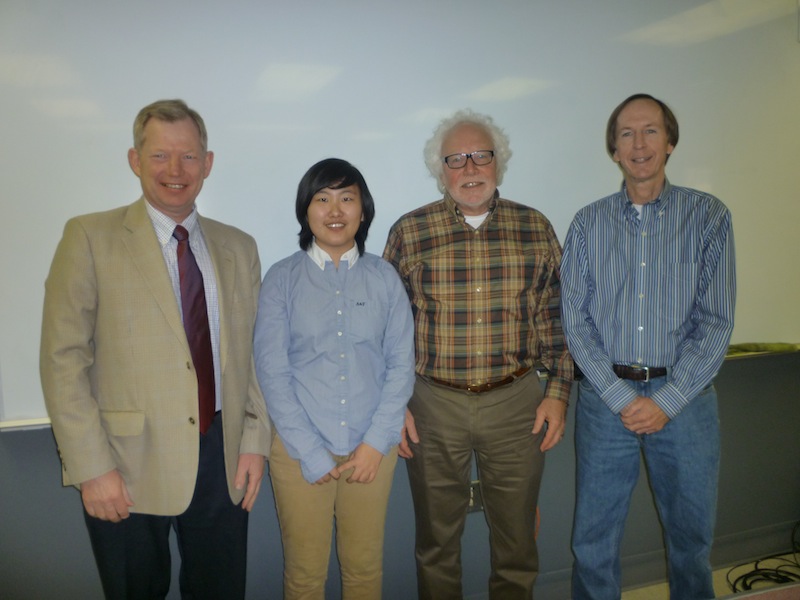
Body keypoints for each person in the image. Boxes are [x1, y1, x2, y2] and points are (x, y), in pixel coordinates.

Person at [39, 99, 271, 599]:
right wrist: (90, 467)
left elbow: (256, 356)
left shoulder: (240, 247)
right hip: (124, 463)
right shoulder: (89, 237)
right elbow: (63, 360)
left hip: (222, 456)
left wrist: (255, 441)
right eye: (160, 155)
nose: (175, 170)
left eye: (189, 156)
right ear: (134, 159)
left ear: (207, 164)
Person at [383, 109, 573, 599]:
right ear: (440, 170)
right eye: (456, 159)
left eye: (480, 156)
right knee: (436, 543)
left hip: (516, 405)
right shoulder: (410, 232)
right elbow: (386, 330)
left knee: (516, 545)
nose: (470, 168)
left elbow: (558, 320)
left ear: (499, 163)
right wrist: (395, 404)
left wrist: (556, 394)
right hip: (431, 405)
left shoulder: (535, 228)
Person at [561, 93, 736, 600]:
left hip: (686, 402)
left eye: (651, 131)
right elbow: (576, 320)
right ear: (613, 149)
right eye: (626, 134)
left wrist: (666, 401)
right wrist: (621, 397)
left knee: (691, 541)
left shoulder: (709, 218)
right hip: (604, 400)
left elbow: (717, 321)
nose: (639, 144)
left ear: (671, 142)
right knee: (592, 542)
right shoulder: (587, 224)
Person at [254, 158, 415, 599]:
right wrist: (310, 452)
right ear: (306, 211)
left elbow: (401, 365)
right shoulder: (282, 279)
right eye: (322, 199)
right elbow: (272, 372)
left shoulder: (384, 278)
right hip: (299, 452)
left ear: (364, 210)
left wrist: (374, 444)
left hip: (371, 449)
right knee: (305, 575)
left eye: (347, 198)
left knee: (364, 569)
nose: (336, 210)